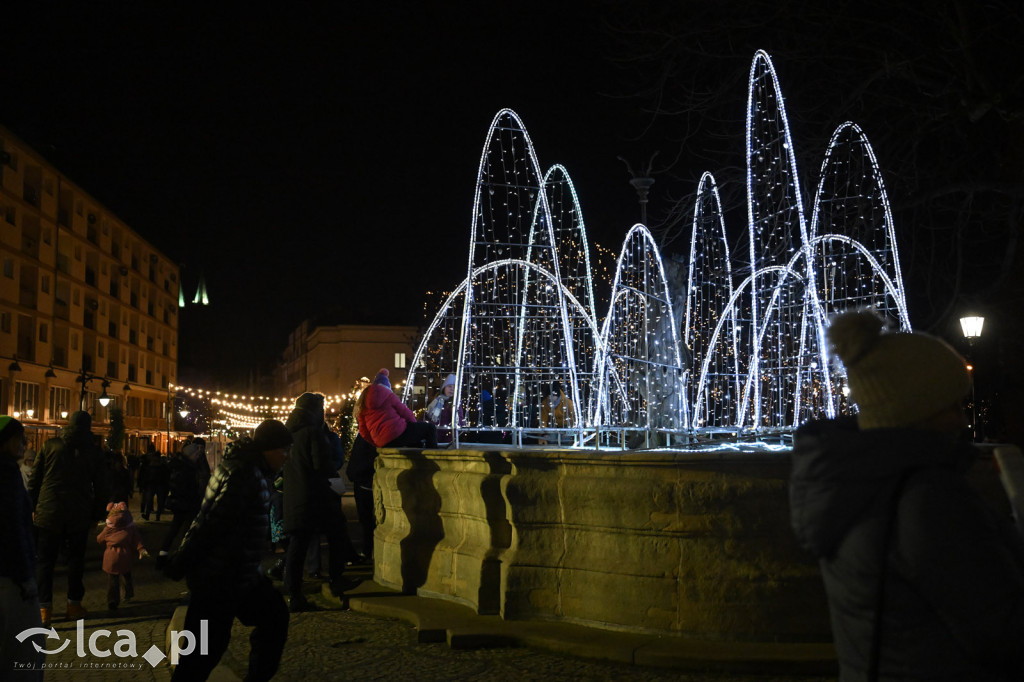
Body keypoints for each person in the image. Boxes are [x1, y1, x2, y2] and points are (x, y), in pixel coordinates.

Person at [789, 310, 1024, 681]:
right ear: (918, 410)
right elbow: (1002, 631)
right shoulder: (928, 499)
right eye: (951, 406)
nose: (962, 420)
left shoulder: (854, 484)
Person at [165, 420, 293, 682]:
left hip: (237, 573)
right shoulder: (246, 475)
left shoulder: (245, 469)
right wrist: (181, 562)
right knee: (202, 653)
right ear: (268, 448)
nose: (286, 456)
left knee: (272, 617)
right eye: (284, 450)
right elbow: (211, 524)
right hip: (221, 576)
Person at [27, 410, 108, 626]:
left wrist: (32, 507)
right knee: (75, 561)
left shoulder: (50, 446)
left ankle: (44, 609)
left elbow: (35, 480)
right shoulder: (94, 452)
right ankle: (73, 606)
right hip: (78, 513)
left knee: (45, 562)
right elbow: (102, 489)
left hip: (48, 511)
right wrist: (97, 516)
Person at [282, 392, 358, 612]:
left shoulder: (289, 435)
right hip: (316, 499)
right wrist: (339, 489)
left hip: (295, 498)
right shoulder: (313, 433)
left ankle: (294, 594)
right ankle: (336, 579)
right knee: (337, 533)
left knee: (297, 547)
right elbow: (324, 467)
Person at [0, 416, 43, 679]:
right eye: (20, 438)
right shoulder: (6, 473)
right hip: (11, 575)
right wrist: (24, 577)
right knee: (25, 647)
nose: (24, 444)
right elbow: (13, 526)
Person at [357, 369, 437, 449]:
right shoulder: (389, 395)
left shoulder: (362, 404)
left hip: (382, 442)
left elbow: (363, 431)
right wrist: (414, 425)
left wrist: (376, 442)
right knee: (430, 428)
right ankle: (432, 458)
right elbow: (405, 412)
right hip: (398, 432)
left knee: (415, 442)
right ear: (386, 387)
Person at [160, 438, 210, 557]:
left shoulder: (182, 464)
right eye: (197, 450)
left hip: (183, 502)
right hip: (187, 502)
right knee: (186, 530)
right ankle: (182, 555)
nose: (199, 452)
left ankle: (164, 554)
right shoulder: (187, 468)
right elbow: (190, 485)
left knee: (176, 528)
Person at [96, 501, 148, 610]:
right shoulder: (130, 528)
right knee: (126, 575)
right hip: (126, 555)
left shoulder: (109, 528)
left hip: (111, 556)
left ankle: (113, 600)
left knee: (113, 580)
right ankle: (127, 594)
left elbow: (99, 539)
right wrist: (141, 549)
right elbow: (137, 539)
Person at [423, 373, 465, 443]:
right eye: (449, 386)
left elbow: (459, 423)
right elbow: (427, 417)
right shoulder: (436, 400)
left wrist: (448, 440)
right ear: (444, 388)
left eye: (454, 387)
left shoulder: (455, 404)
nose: (452, 389)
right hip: (431, 438)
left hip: (445, 441)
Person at [138, 444, 169, 521]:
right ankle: (154, 516)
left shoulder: (152, 466)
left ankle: (151, 515)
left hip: (155, 484)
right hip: (156, 485)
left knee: (152, 501)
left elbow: (146, 476)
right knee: (155, 501)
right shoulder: (160, 466)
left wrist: (143, 485)